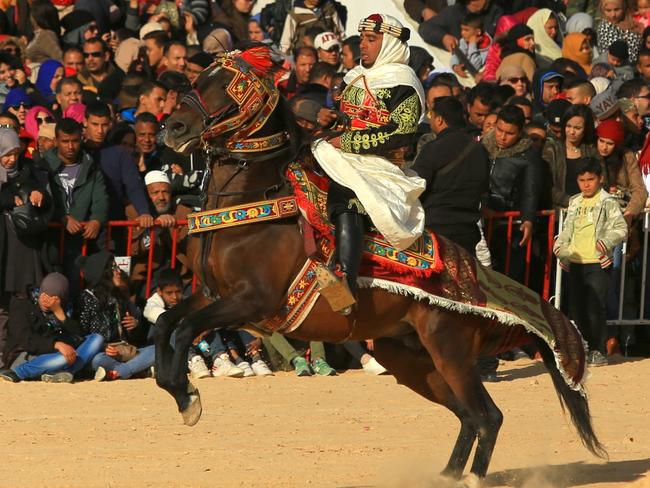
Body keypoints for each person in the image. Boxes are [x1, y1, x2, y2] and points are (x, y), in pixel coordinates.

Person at [312, 14, 426, 313]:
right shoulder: (353, 76)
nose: (363, 45)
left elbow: (401, 133)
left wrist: (346, 141)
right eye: (362, 38)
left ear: (388, 43)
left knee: (347, 195)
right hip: (344, 157)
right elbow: (354, 118)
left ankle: (345, 281)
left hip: (381, 166)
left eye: (371, 39)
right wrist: (332, 119)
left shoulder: (404, 83)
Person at [553, 157, 628, 366]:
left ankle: (599, 349)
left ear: (600, 179)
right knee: (576, 308)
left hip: (597, 262)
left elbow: (621, 228)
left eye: (590, 179)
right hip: (575, 262)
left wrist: (606, 243)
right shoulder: (574, 201)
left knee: (595, 307)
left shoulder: (607, 202)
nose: (586, 184)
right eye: (582, 180)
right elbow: (567, 229)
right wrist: (561, 249)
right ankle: (585, 346)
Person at [412, 96, 490, 255]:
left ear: (439, 120)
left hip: (437, 229)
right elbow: (484, 187)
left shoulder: (433, 148)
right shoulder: (479, 149)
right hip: (467, 231)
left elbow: (416, 185)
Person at [0, 272, 104, 383]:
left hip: (56, 352)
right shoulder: (22, 304)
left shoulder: (64, 307)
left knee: (96, 338)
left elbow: (78, 336)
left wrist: (59, 313)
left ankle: (64, 372)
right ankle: (18, 372)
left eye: (53, 298)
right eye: (44, 295)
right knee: (63, 358)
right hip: (26, 353)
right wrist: (55, 344)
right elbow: (25, 339)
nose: (46, 301)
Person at [45, 118, 108, 290]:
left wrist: (97, 219)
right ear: (56, 141)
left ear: (81, 139)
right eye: (65, 141)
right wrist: (62, 218)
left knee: (76, 288)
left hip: (80, 242)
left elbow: (100, 198)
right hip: (50, 241)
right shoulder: (44, 166)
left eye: (74, 141)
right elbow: (44, 199)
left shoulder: (91, 167)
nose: (70, 146)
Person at [482, 104, 542, 279]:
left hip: (507, 224)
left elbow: (530, 190)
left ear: (520, 131)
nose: (502, 137)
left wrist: (528, 219)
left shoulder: (529, 155)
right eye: (499, 130)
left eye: (509, 133)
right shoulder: (483, 145)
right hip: (481, 219)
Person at [74, 251, 152, 381]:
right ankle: (137, 369)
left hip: (124, 351)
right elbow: (81, 336)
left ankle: (121, 371)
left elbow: (132, 338)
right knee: (97, 360)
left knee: (157, 349)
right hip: (103, 354)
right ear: (101, 274)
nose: (118, 271)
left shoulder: (118, 296)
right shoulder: (87, 299)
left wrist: (135, 325)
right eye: (113, 268)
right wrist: (104, 347)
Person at [543, 104, 600, 208]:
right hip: (559, 210)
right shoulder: (552, 149)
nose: (572, 132)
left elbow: (601, 178)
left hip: (588, 208)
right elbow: (547, 184)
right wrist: (570, 202)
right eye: (568, 126)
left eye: (577, 128)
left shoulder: (592, 150)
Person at [450, 12, 491, 81]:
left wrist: (472, 45)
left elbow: (474, 66)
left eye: (466, 30)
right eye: (462, 29)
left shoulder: (487, 47)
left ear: (478, 31)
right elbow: (458, 53)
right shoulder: (464, 40)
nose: (462, 33)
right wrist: (455, 66)